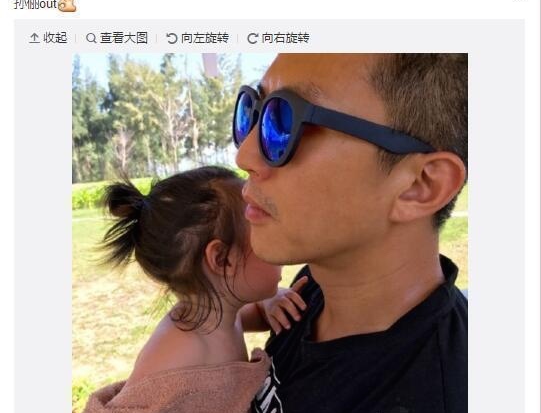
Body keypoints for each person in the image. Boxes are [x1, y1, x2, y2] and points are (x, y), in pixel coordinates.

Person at [233, 53, 468, 413]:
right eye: (253, 112)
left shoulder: (433, 394)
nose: (245, 156)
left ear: (419, 186)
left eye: (285, 120)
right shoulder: (312, 289)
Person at [82, 166, 306, 413]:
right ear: (222, 259)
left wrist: (268, 303)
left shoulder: (215, 317)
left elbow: (253, 315)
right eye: (260, 229)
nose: (277, 237)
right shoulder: (181, 355)